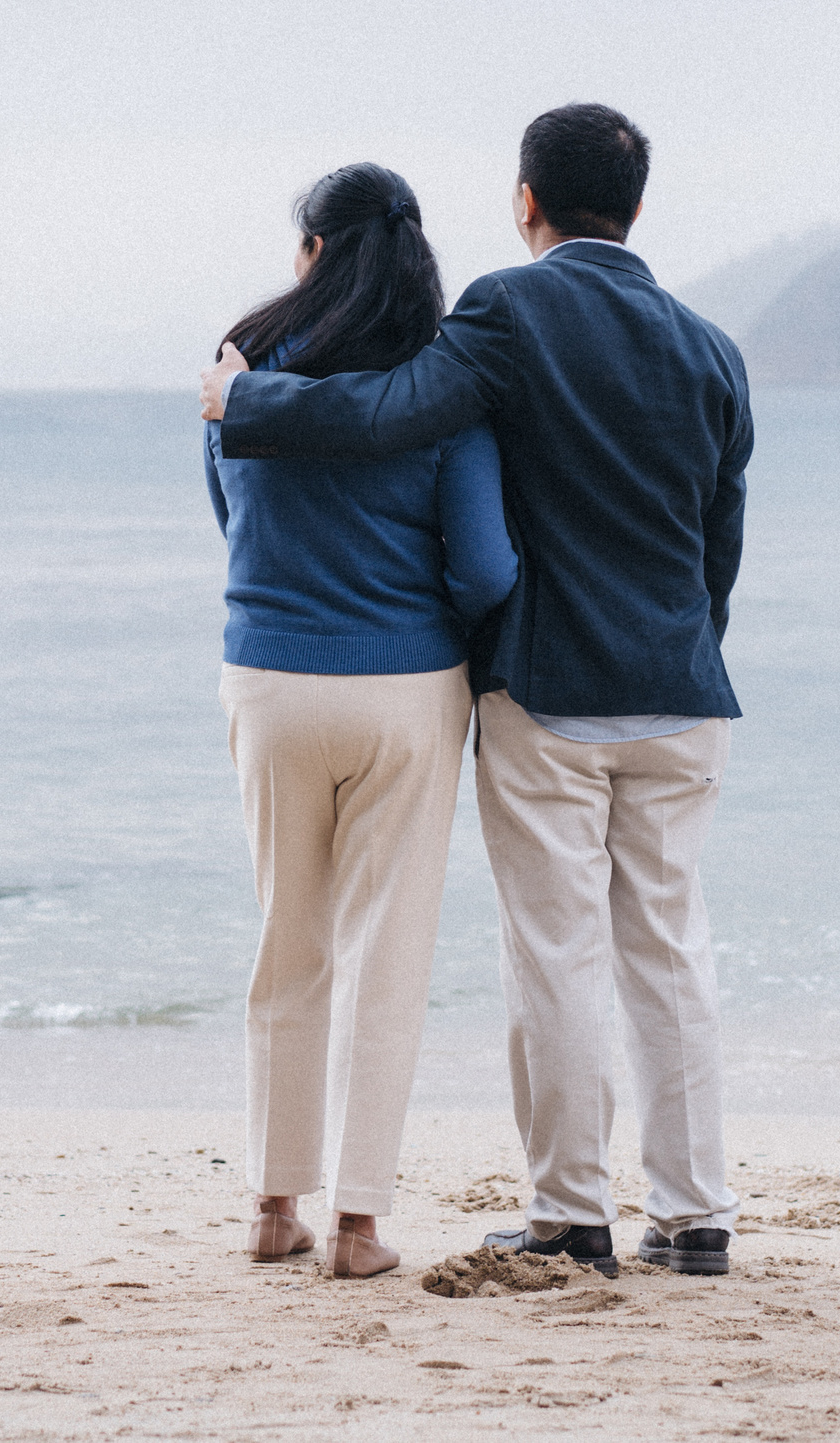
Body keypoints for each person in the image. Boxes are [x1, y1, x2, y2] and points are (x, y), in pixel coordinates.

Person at [200, 105, 750, 1279]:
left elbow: (391, 413)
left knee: (555, 950)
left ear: (522, 200)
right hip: (681, 688)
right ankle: (696, 1217)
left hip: (547, 690)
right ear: (637, 207)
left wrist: (245, 404)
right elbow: (719, 541)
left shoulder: (508, 308)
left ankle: (571, 1215)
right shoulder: (712, 347)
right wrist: (686, 644)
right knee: (669, 947)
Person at [206, 162, 518, 1280]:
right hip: (405, 692)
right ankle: (356, 1228)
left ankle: (271, 1208)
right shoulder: (436, 387)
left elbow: (228, 519)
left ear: (312, 254)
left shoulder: (240, 372)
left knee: (287, 939)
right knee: (384, 957)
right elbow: (482, 566)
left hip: (270, 682)